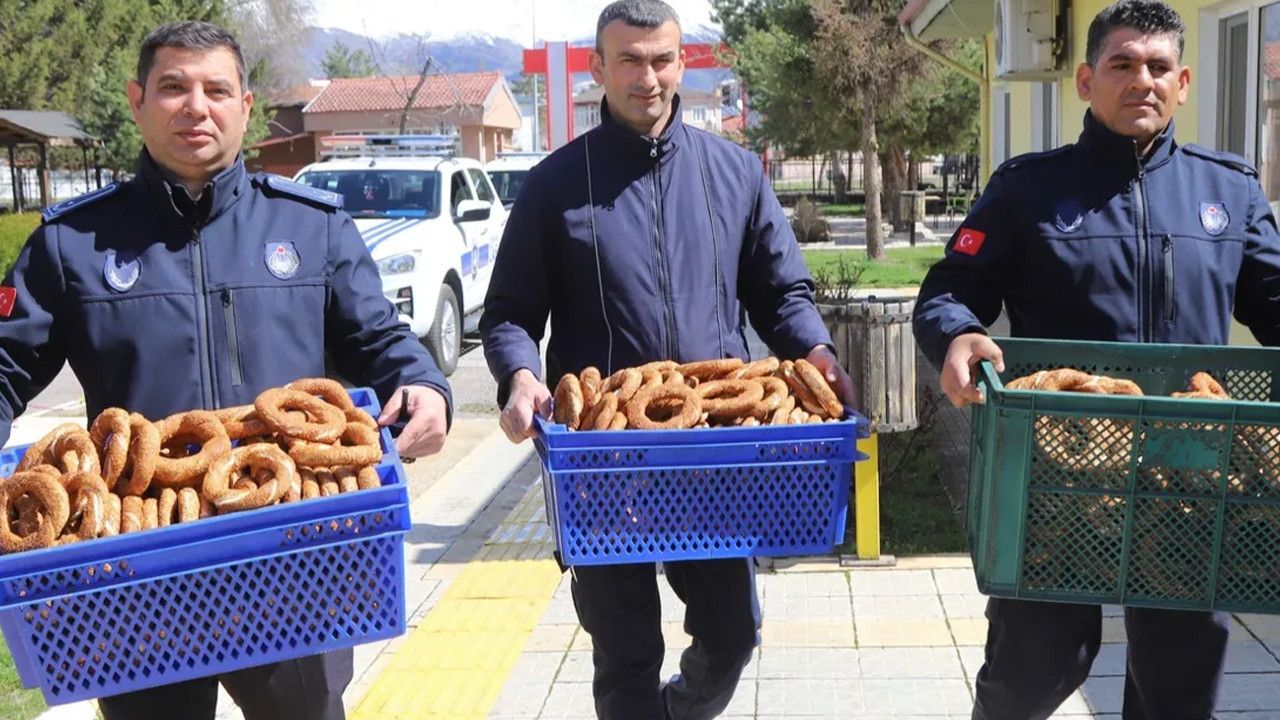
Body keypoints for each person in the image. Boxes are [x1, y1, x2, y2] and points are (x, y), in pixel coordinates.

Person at [0, 20, 453, 720]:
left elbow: (378, 337)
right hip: (136, 572)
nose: (195, 106)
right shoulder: (71, 244)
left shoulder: (313, 227)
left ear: (246, 106)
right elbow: (5, 365)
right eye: (173, 87)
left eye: (216, 89)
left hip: (295, 555)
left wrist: (424, 385)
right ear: (137, 101)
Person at [479, 2, 856, 718]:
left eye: (661, 59)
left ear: (683, 64)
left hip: (712, 456)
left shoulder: (734, 173)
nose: (646, 77)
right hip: (602, 463)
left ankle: (683, 710)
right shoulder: (556, 185)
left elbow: (782, 293)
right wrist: (520, 374)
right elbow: (510, 315)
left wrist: (814, 350)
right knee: (625, 654)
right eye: (628, 59)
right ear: (597, 68)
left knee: (733, 632)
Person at [912, 0, 1280, 717]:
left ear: (1184, 82)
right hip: (1055, 481)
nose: (1141, 80)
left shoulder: (1228, 192)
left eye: (1158, 66)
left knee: (1178, 688)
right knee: (1030, 675)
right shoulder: (1028, 190)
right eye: (1121, 65)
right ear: (1085, 81)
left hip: (1188, 479)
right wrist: (956, 335)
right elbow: (949, 291)